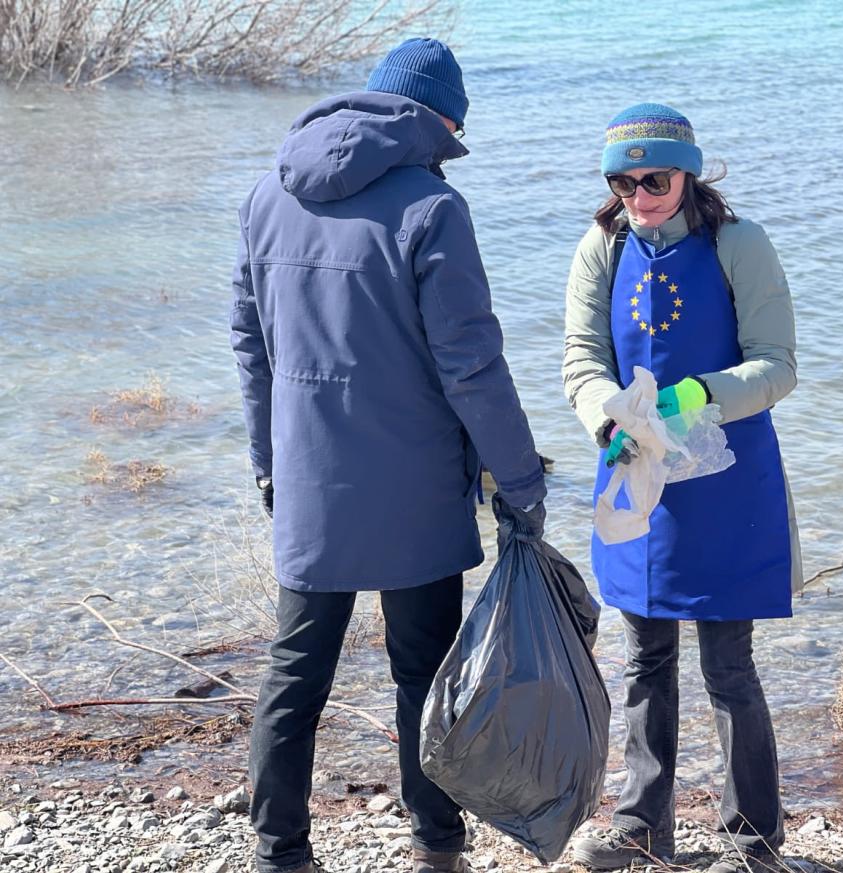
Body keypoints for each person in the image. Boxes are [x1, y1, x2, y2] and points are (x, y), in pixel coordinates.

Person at [230, 37, 547, 873]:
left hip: (310, 485)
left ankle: (279, 855)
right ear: (441, 122)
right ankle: (438, 848)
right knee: (423, 675)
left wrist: (267, 458)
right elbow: (472, 365)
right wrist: (519, 482)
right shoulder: (432, 208)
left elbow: (250, 345)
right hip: (415, 494)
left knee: (295, 675)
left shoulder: (267, 196)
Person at [562, 103, 803, 873]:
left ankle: (751, 839)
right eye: (624, 181)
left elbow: (777, 363)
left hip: (727, 478)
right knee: (643, 658)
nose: (640, 193)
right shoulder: (600, 248)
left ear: (688, 173)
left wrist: (696, 394)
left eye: (655, 177)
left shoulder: (741, 244)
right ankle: (641, 825)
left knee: (729, 663)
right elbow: (580, 359)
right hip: (637, 472)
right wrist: (608, 414)